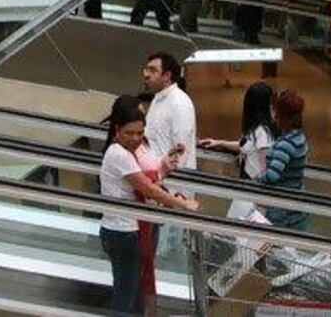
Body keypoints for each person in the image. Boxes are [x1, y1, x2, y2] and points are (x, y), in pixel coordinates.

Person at [100, 95, 198, 314]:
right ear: (117, 129)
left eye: (140, 133)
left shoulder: (129, 152)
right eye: (130, 133)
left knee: (133, 293)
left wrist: (163, 168)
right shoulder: (119, 154)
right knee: (126, 296)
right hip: (123, 233)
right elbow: (149, 189)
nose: (136, 138)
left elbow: (148, 181)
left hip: (128, 231)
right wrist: (183, 204)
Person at [256, 90, 310, 230]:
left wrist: (258, 178)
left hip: (281, 208)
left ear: (280, 115)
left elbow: (272, 176)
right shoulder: (300, 137)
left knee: (272, 247)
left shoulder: (285, 144)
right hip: (296, 204)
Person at [200, 82, 275, 181]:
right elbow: (244, 145)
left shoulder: (263, 132)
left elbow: (264, 168)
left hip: (254, 185)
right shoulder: (254, 129)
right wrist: (219, 142)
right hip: (247, 180)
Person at [142, 52, 197, 169]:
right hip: (155, 176)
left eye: (152, 70)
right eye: (146, 69)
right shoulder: (157, 98)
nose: (146, 74)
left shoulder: (179, 103)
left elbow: (181, 152)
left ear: (167, 76)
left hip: (172, 181)